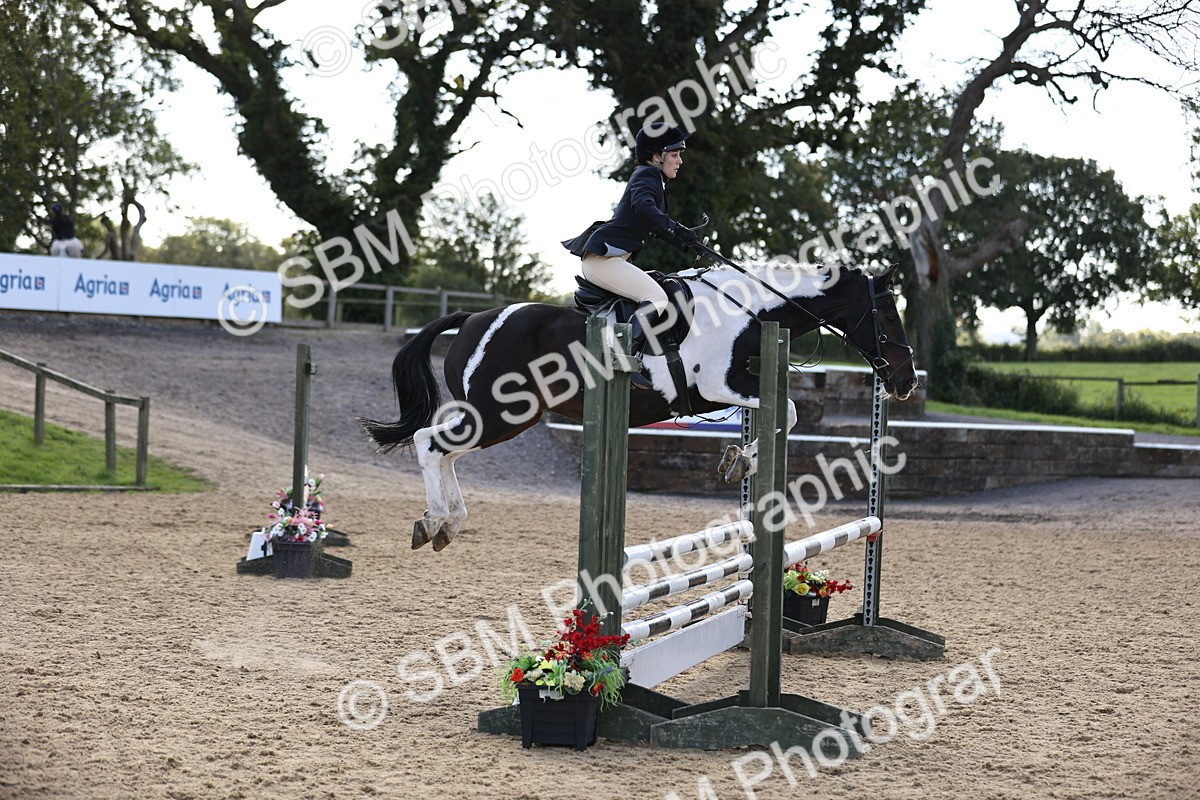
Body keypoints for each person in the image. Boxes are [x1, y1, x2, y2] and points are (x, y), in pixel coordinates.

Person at [562, 121, 700, 387]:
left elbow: (649, 220)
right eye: (674, 154)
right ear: (656, 156)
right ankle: (622, 359)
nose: (680, 161)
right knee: (657, 297)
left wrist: (684, 242)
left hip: (609, 259)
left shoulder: (654, 178)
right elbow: (644, 207)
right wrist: (676, 227)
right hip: (603, 260)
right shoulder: (647, 176)